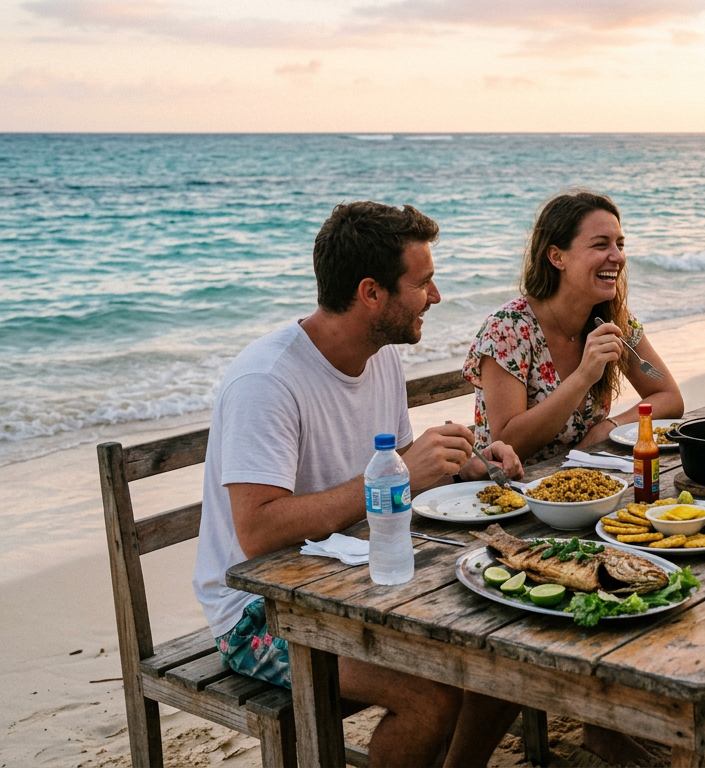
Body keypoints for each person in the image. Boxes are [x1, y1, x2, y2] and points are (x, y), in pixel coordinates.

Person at [193, 201, 525, 768]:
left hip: (356, 572)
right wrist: (403, 471)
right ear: (371, 293)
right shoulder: (267, 381)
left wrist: (454, 464)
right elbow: (258, 533)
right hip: (260, 611)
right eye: (423, 283)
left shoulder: (380, 356)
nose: (437, 296)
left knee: (509, 639)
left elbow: (389, 467)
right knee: (430, 695)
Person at [464, 190, 683, 464]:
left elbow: (669, 398)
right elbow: (507, 445)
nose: (618, 257)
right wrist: (583, 376)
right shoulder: (508, 328)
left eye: (620, 244)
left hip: (586, 482)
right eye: (601, 245)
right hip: (512, 493)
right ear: (557, 257)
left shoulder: (614, 319)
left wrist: (610, 426)